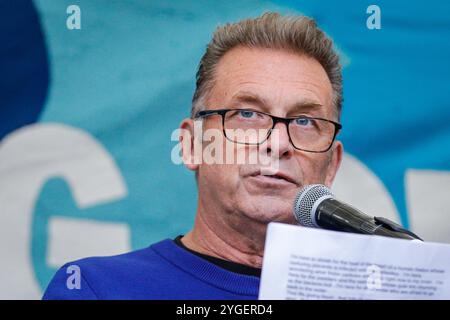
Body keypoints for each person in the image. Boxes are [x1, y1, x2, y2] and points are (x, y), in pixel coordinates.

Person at [43, 11, 343, 300]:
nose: (278, 144)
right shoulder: (96, 289)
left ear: (332, 165)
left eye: (304, 121)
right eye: (247, 114)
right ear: (191, 144)